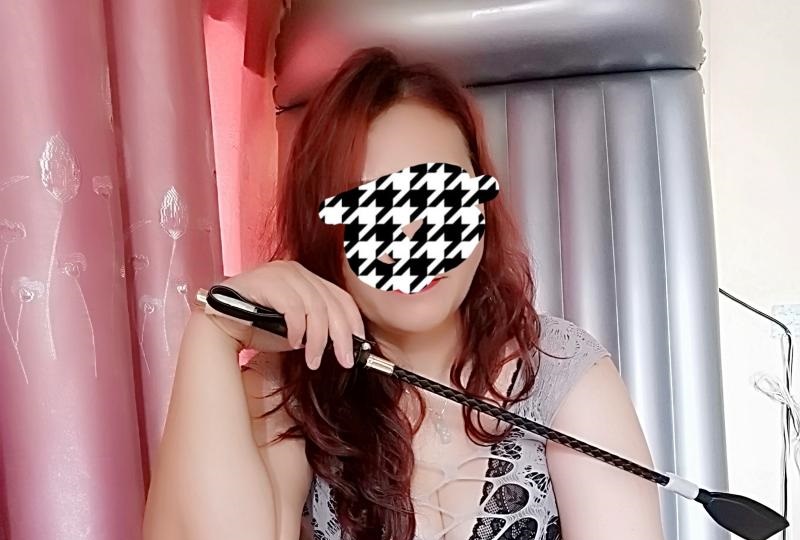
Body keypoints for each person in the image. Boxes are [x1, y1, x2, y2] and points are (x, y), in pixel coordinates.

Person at [142, 47, 666, 540]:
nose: (411, 243)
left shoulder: (559, 372)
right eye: (374, 214)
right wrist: (213, 332)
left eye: (438, 200)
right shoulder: (291, 386)